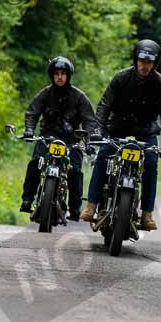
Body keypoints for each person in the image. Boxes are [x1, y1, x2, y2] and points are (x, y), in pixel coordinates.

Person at [81, 39, 161, 231]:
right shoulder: (121, 77)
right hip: (117, 128)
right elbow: (104, 105)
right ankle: (91, 205)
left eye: (149, 62)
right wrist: (99, 131)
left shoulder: (160, 83)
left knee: (150, 162)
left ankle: (147, 213)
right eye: (142, 60)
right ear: (136, 59)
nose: (144, 65)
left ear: (154, 63)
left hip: (146, 130)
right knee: (104, 154)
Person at [20, 56, 97, 221]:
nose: (60, 77)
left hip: (72, 140)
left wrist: (90, 141)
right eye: (57, 74)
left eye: (63, 73)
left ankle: (75, 208)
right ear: (52, 75)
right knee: (35, 163)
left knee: (75, 171)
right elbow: (32, 113)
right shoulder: (45, 94)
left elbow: (90, 121)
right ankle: (27, 199)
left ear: (68, 76)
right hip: (48, 137)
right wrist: (29, 130)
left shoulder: (79, 97)